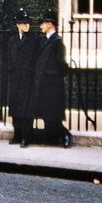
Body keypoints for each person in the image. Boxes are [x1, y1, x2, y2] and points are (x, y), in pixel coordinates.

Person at [29, 9, 70, 148]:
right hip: (42, 82)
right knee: (46, 113)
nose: (40, 26)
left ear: (50, 24)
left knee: (53, 113)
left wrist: (55, 75)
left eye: (43, 23)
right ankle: (50, 139)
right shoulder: (43, 40)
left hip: (53, 83)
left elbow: (61, 64)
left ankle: (65, 135)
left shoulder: (57, 42)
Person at [6, 8, 37, 146]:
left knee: (26, 111)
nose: (27, 25)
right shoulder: (12, 41)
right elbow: (8, 59)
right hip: (15, 80)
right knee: (15, 109)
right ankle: (17, 135)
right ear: (18, 25)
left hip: (28, 80)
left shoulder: (34, 40)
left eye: (28, 23)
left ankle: (26, 137)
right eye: (24, 23)